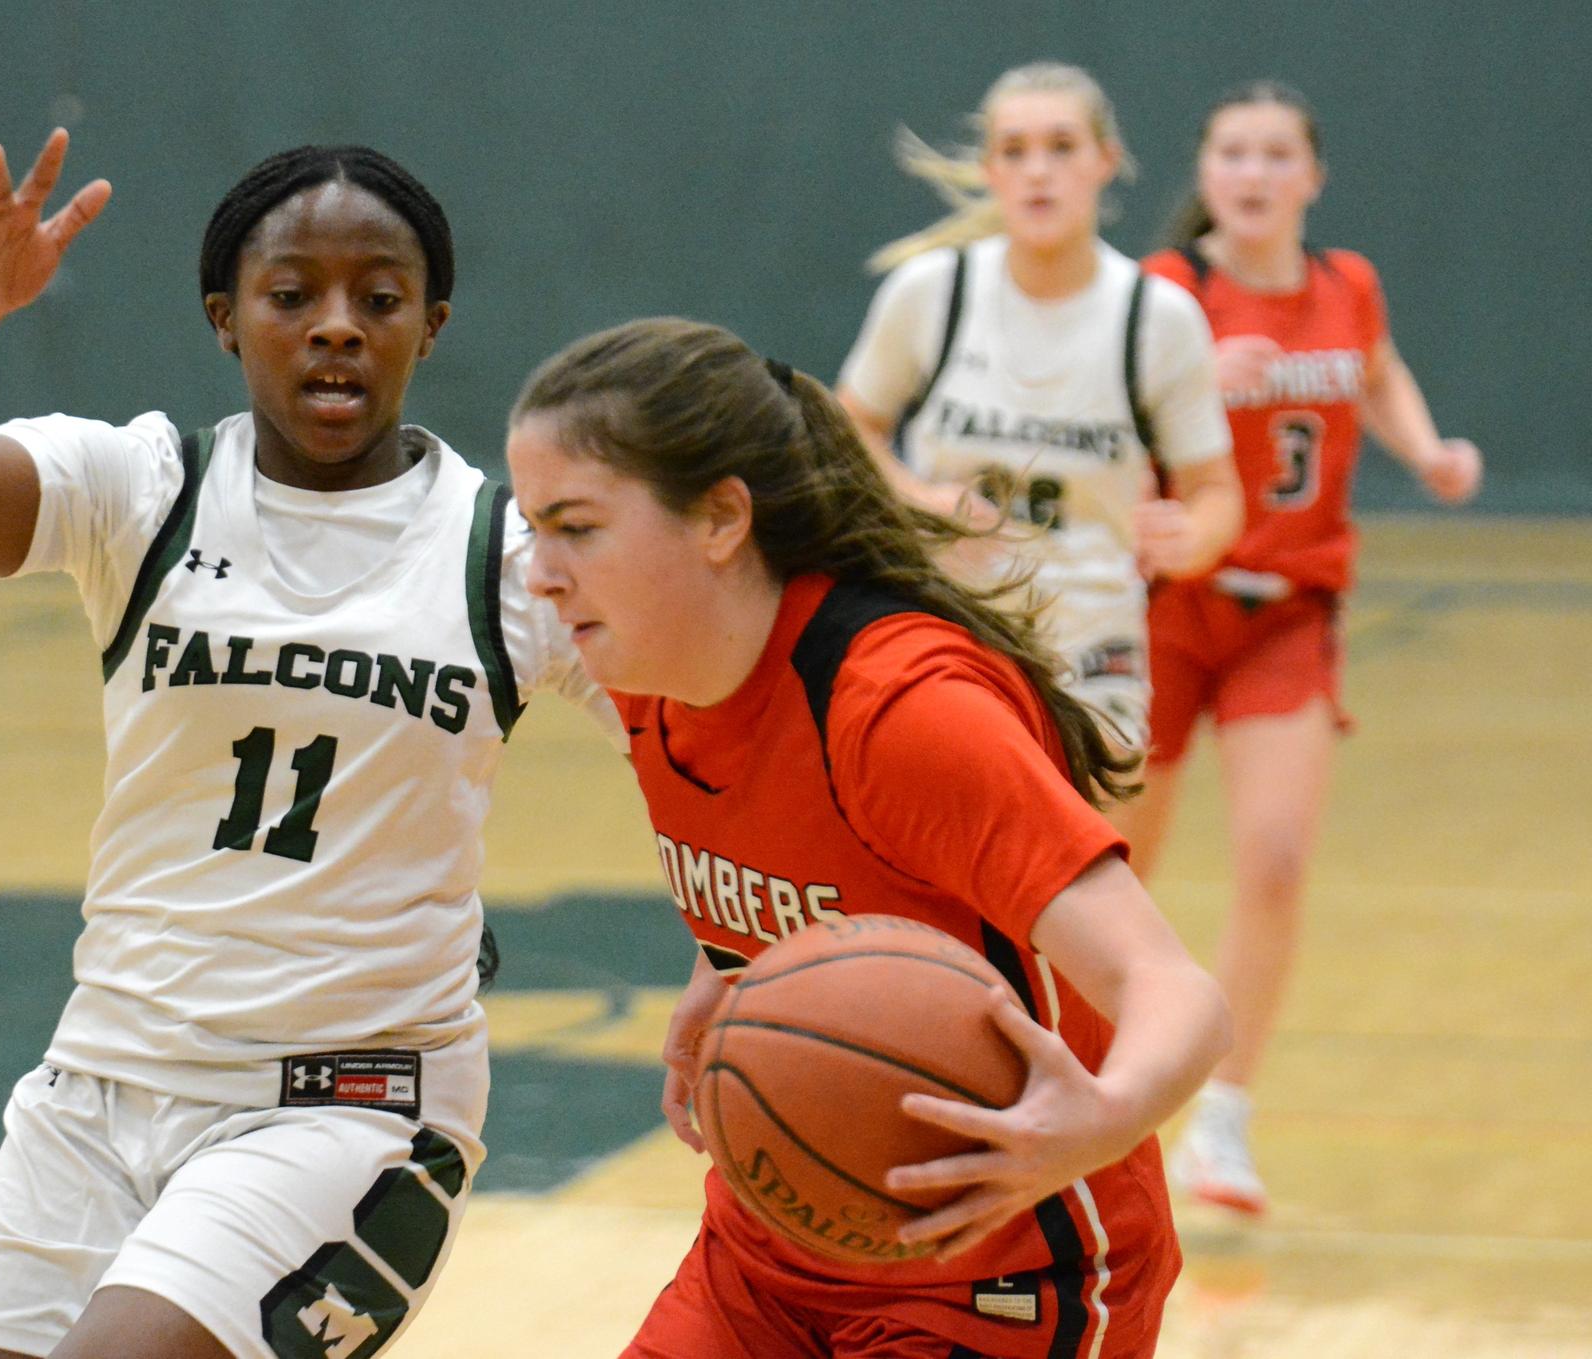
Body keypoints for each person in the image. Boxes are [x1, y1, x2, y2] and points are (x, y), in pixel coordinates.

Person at [0, 129, 618, 1359]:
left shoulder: (507, 556)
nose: (337, 325)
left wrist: (736, 953)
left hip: (345, 1107)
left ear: (433, 325)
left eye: (380, 298)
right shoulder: (142, 487)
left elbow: (701, 734)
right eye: (293, 296)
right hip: (97, 1085)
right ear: (225, 318)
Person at [506, 316, 1232, 1359]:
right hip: (773, 1245)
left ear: (719, 519)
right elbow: (826, 871)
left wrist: (1101, 1116)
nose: (541, 572)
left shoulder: (901, 712)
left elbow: (1176, 994)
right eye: (535, 529)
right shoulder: (650, 678)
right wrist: (732, 969)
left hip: (998, 1270)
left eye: (575, 527)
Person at [1116, 81, 1485, 1215]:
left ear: (1311, 177)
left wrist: (1424, 450)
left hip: (1291, 608)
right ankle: (1094, 1082)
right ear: (1207, 171)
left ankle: (1222, 1122)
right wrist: (1178, 392)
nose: (1255, 172)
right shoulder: (1170, 291)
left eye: (1279, 154)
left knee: (1274, 859)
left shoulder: (1348, 284)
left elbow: (1376, 372)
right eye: (1234, 152)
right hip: (1167, 606)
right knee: (1115, 868)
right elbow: (1098, 416)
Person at [835, 62, 1244, 750]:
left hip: (1090, 643)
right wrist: (921, 496)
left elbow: (1217, 495)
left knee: (1082, 852)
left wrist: (1192, 537)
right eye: (1015, 151)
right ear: (991, 169)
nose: (1038, 172)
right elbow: (850, 429)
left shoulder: (1156, 316)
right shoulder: (933, 293)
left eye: (1061, 147)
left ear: (1106, 161)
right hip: (947, 628)